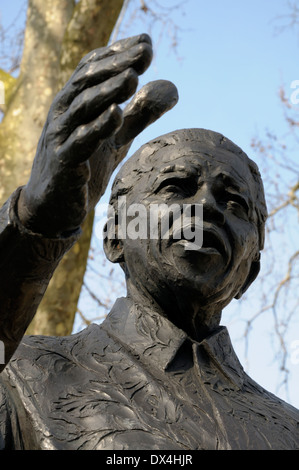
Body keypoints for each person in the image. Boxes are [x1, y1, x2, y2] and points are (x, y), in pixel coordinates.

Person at [0, 35, 298, 450]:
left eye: (234, 202)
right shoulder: (21, 373)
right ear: (115, 238)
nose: (208, 206)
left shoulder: (289, 428)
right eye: (176, 186)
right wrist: (34, 224)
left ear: (252, 272)